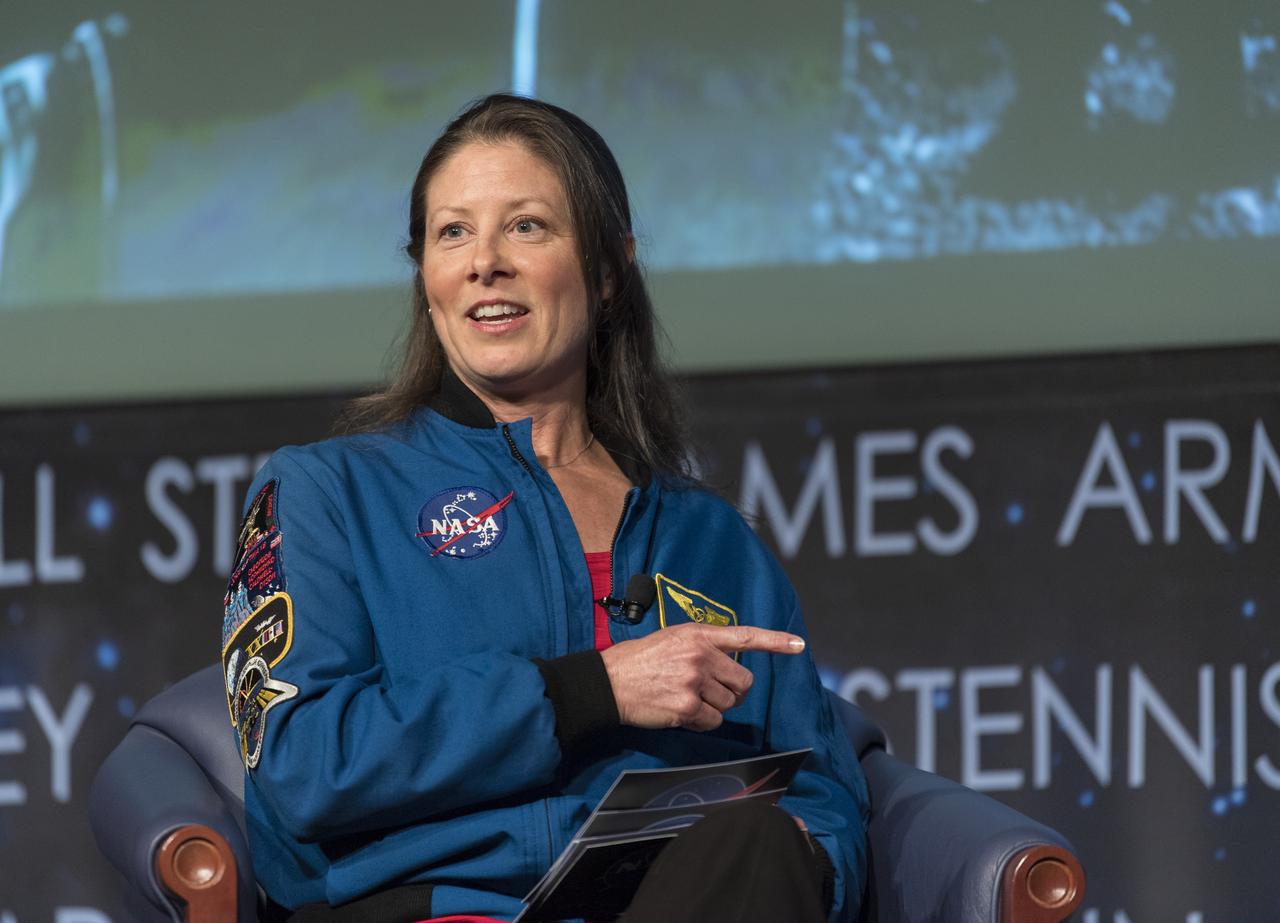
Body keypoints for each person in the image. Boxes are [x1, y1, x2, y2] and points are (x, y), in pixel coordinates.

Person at [221, 93, 869, 923]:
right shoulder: (324, 491)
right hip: (432, 908)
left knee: (760, 841)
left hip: (676, 901)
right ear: (426, 279)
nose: (484, 261)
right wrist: (588, 690)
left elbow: (821, 793)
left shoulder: (711, 539)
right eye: (453, 232)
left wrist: (802, 851)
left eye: (526, 226)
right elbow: (304, 761)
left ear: (607, 271)